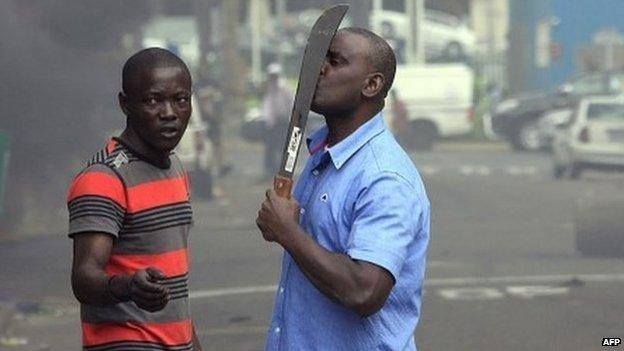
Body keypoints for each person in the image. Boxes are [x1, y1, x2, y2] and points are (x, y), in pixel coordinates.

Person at [256, 28, 430, 350]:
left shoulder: (385, 177)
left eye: (335, 61)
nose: (320, 68)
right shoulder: (323, 154)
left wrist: (288, 232)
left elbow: (365, 290)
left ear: (371, 84)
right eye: (322, 58)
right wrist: (285, 226)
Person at [67, 48, 203, 351]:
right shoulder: (103, 179)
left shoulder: (176, 169)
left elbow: (175, 289)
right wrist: (128, 286)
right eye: (153, 100)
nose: (169, 113)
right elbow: (84, 278)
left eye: (180, 99)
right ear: (125, 104)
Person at [260, 63, 293, 180]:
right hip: (272, 122)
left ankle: (284, 170)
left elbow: (290, 103)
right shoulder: (268, 88)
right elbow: (267, 105)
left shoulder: (284, 88)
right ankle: (270, 169)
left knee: (283, 146)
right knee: (270, 146)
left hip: (283, 120)